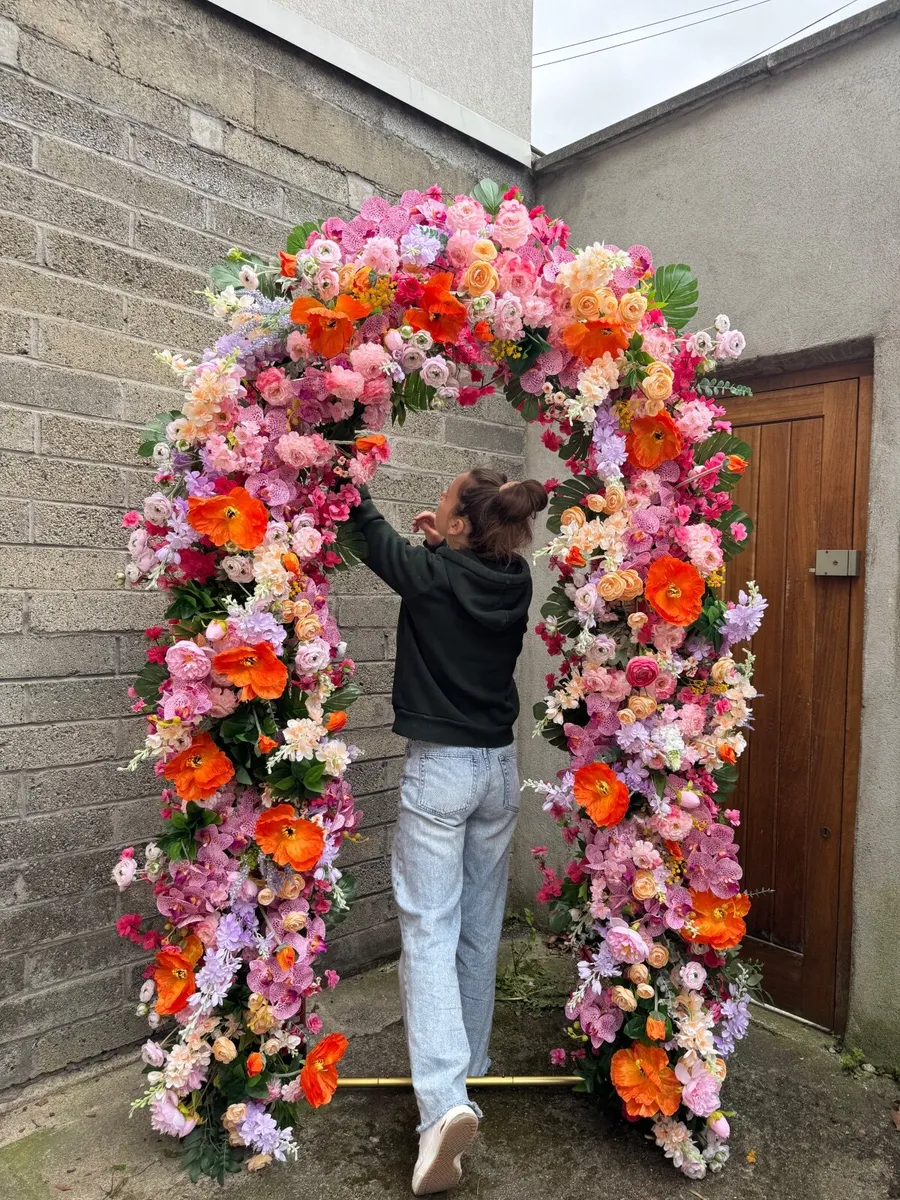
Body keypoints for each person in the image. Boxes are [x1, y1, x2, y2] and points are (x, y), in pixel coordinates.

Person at [351, 467, 548, 1195]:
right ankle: (467, 1069)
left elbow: (367, 532)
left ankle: (442, 1108)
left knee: (427, 932)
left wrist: (351, 475)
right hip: (498, 768)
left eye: (443, 503)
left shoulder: (433, 578)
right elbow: (455, 571)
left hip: (441, 773)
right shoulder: (516, 579)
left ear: (464, 527)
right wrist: (440, 544)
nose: (432, 509)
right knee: (476, 923)